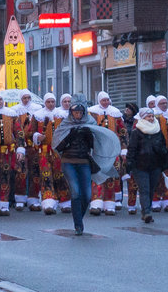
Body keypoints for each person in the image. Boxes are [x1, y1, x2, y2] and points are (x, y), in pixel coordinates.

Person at [53, 95, 121, 235]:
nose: (77, 115)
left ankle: (79, 216)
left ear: (83, 112)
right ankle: (78, 224)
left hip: (84, 161)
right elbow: (57, 147)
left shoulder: (91, 122)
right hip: (68, 162)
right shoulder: (65, 124)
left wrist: (88, 134)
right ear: (71, 112)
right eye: (75, 112)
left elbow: (96, 145)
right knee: (76, 192)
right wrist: (70, 137)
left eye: (79, 112)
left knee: (87, 195)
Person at [28, 93, 72, 214]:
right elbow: (29, 132)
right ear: (44, 103)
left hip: (58, 151)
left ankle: (65, 201)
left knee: (60, 175)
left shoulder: (61, 115)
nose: (51, 104)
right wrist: (37, 136)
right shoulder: (37, 116)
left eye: (53, 102)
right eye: (48, 102)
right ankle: (48, 201)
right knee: (46, 175)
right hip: (44, 150)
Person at [126, 108, 168, 223]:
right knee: (144, 189)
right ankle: (147, 212)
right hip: (140, 166)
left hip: (155, 165)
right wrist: (129, 163)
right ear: (142, 118)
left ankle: (146, 209)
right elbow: (132, 149)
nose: (150, 118)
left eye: (152, 116)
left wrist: (164, 161)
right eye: (148, 116)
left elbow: (164, 147)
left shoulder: (158, 131)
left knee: (151, 189)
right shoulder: (136, 132)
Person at [87, 91, 127, 216]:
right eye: (103, 100)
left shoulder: (115, 114)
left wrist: (124, 148)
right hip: (97, 150)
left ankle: (109, 203)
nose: (105, 102)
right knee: (97, 175)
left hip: (112, 150)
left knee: (111, 175)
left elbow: (123, 132)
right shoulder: (92, 113)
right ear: (99, 101)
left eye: (107, 100)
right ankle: (96, 202)